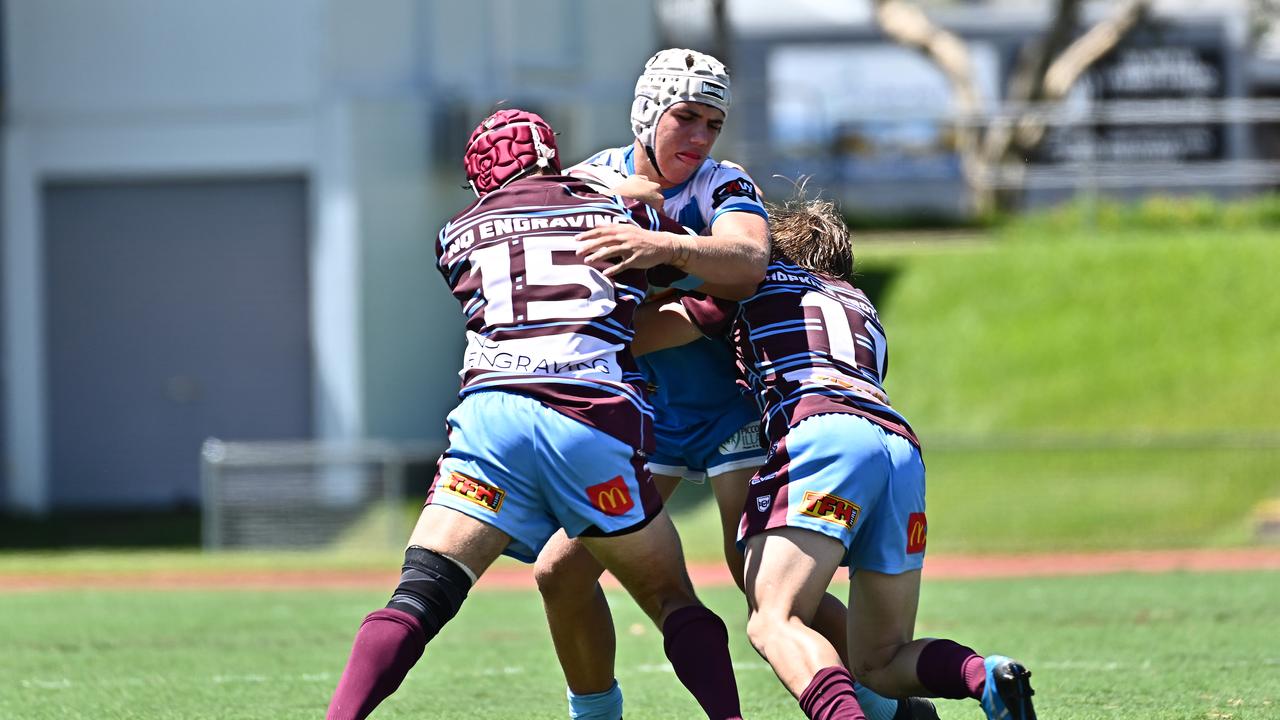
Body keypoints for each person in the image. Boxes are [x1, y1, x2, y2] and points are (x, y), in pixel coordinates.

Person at [536, 48, 933, 720]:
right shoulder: (589, 184)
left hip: (734, 413)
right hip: (650, 416)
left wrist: (665, 252)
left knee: (767, 590)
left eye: (712, 124)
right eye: (686, 118)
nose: (699, 137)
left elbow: (747, 260)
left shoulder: (725, 184)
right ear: (646, 112)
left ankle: (889, 708)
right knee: (559, 571)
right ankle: (594, 713)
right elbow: (542, 272)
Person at [324, 108, 745, 720]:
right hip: (589, 419)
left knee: (418, 593)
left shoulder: (456, 233)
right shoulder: (620, 213)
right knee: (670, 598)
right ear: (552, 155)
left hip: (491, 419)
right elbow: (699, 286)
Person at [632, 192, 1039, 720]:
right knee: (881, 661)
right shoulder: (862, 307)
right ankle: (986, 674)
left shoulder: (751, 284)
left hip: (823, 435)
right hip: (899, 449)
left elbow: (644, 333)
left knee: (773, 619)